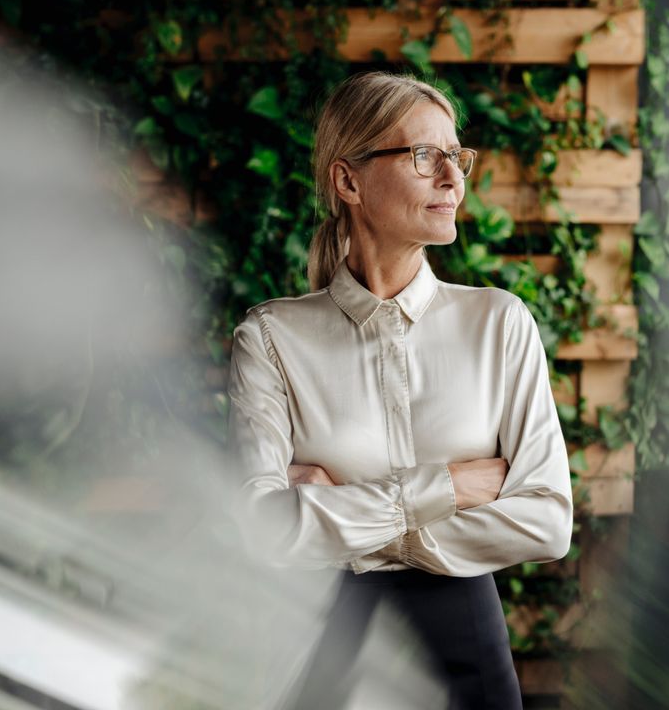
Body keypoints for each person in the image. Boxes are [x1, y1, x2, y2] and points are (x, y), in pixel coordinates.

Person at [226, 70, 573, 709]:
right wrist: (451, 487)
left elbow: (548, 522)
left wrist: (348, 519)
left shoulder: (499, 324)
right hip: (320, 651)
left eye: (456, 156)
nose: (452, 178)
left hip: (469, 659)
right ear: (348, 180)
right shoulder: (271, 339)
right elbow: (260, 529)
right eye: (423, 156)